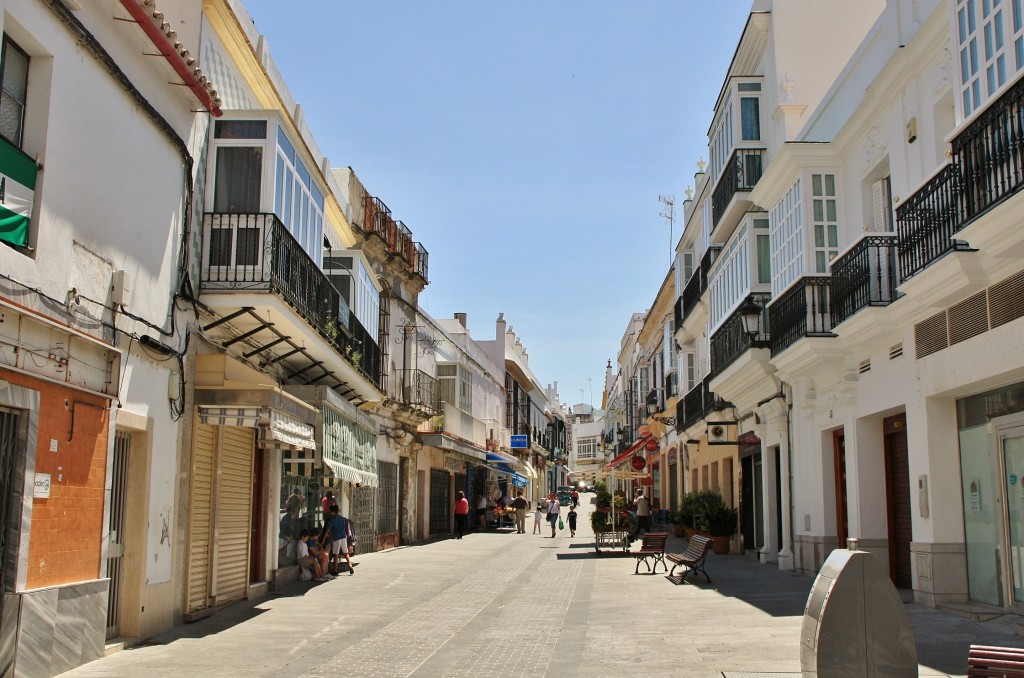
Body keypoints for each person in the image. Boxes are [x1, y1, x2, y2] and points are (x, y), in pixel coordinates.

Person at [326, 504, 355, 575]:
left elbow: (328, 530)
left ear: (333, 511)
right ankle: (350, 565)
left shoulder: (333, 520)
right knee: (346, 553)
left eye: (330, 511)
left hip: (336, 538)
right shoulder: (342, 519)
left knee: (336, 554)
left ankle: (335, 569)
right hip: (343, 537)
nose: (330, 513)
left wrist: (324, 538)